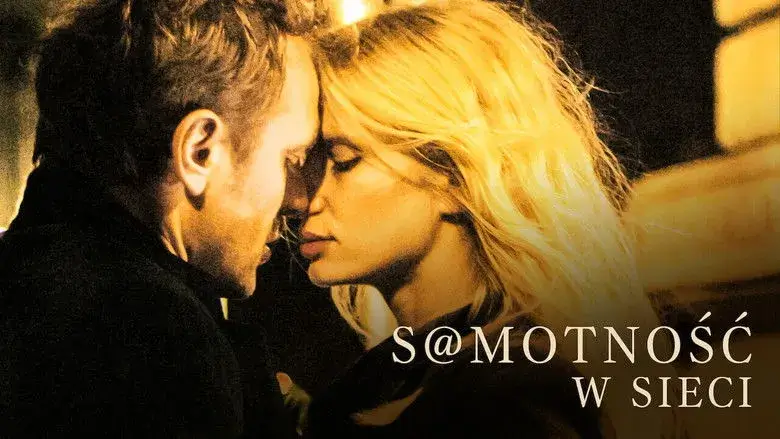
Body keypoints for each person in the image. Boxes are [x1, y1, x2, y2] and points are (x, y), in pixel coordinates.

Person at [296, 0, 685, 437]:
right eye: (303, 163)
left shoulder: (514, 390)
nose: (304, 197)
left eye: (343, 161)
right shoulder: (406, 377)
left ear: (453, 179)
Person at [0, 0, 319, 437]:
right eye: (291, 158)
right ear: (200, 152)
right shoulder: (153, 340)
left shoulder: (27, 282)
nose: (299, 199)